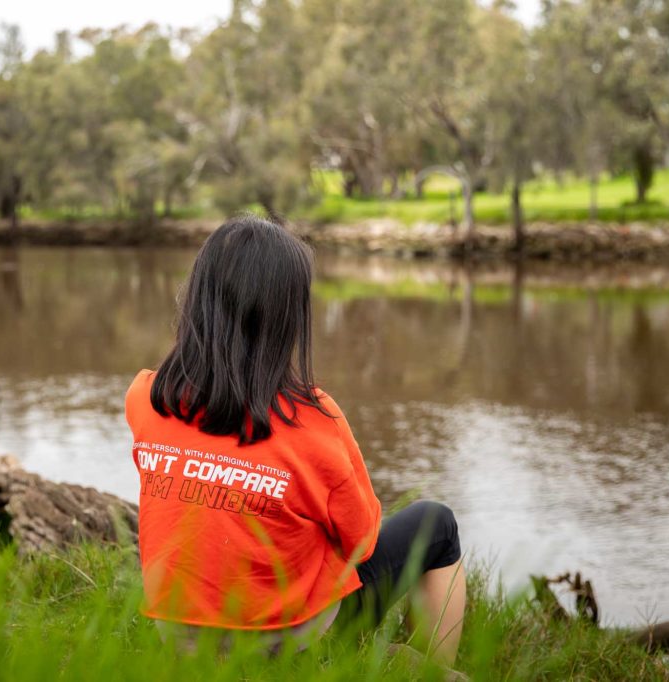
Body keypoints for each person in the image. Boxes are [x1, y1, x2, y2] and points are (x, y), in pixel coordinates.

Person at [124, 215, 466, 666]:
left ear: (198, 300)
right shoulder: (315, 419)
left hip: (179, 637)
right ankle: (431, 668)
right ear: (286, 318)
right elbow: (361, 542)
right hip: (283, 645)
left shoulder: (147, 397)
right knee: (436, 524)